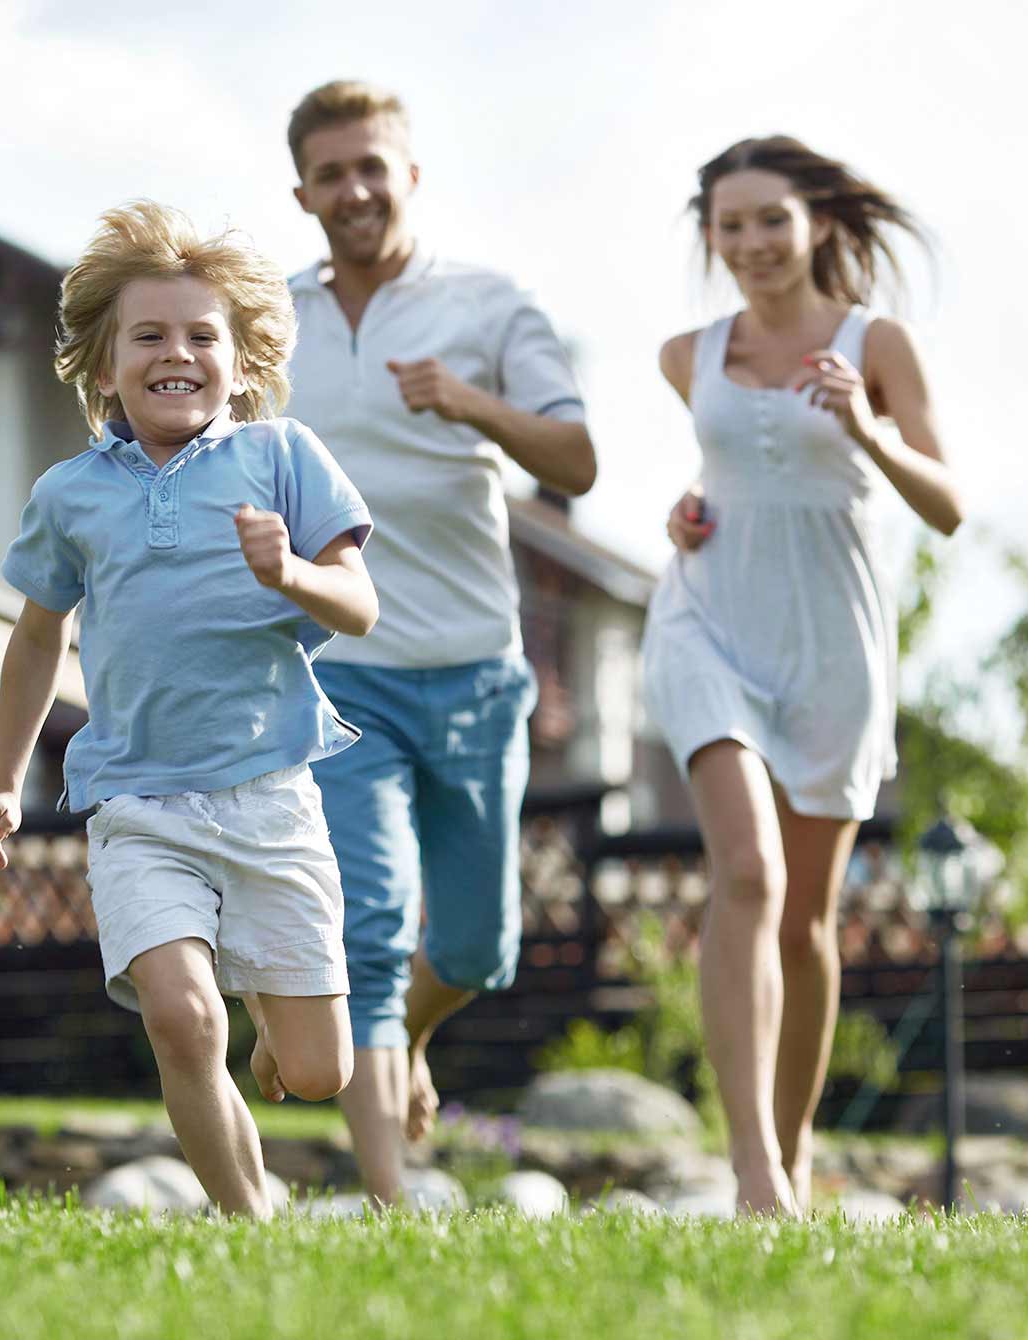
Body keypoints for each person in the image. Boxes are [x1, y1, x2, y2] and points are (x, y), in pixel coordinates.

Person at [0, 201, 379, 1218]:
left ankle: (283, 1030)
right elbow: (36, 636)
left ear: (240, 361)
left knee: (319, 1071)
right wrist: (3, 781)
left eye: (201, 336)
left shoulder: (282, 456)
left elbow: (359, 604)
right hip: (137, 802)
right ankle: (252, 1222)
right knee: (184, 1019)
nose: (175, 353)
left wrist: (292, 575)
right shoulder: (71, 495)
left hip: (269, 793)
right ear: (103, 366)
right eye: (148, 335)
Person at [280, 80, 598, 1207]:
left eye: (374, 166)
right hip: (337, 669)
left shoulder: (489, 305)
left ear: (409, 175)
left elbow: (575, 463)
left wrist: (472, 405)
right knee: (369, 926)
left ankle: (406, 1040)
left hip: (473, 668)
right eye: (332, 172)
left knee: (477, 947)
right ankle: (387, 1193)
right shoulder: (275, 321)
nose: (355, 189)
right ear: (304, 191)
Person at [643, 135, 965, 1216]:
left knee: (806, 920)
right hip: (708, 622)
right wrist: (683, 511)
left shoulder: (879, 343)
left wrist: (868, 429)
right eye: (728, 227)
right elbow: (725, 471)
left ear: (817, 221)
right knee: (747, 873)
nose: (750, 245)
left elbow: (947, 503)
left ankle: (794, 1143)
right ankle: (752, 1170)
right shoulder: (687, 352)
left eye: (769, 220)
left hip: (832, 641)